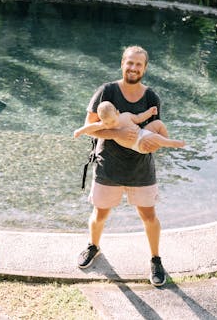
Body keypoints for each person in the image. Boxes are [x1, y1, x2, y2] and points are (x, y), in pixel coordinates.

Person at [75, 45, 175, 287]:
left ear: (145, 68)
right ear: (122, 63)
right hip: (108, 165)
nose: (133, 68)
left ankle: (155, 259)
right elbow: (90, 124)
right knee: (100, 213)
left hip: (141, 168)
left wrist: (153, 143)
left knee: (149, 216)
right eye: (130, 63)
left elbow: (154, 131)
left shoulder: (152, 97)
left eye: (138, 64)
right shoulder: (106, 91)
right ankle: (93, 246)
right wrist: (118, 132)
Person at [73, 101, 186, 153]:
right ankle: (171, 143)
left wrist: (149, 112)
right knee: (154, 138)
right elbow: (89, 127)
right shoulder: (105, 125)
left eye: (112, 120)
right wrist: (79, 131)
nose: (111, 124)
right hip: (138, 144)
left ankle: (166, 142)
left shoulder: (126, 116)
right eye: (106, 122)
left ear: (117, 113)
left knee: (158, 124)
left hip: (143, 133)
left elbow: (139, 118)